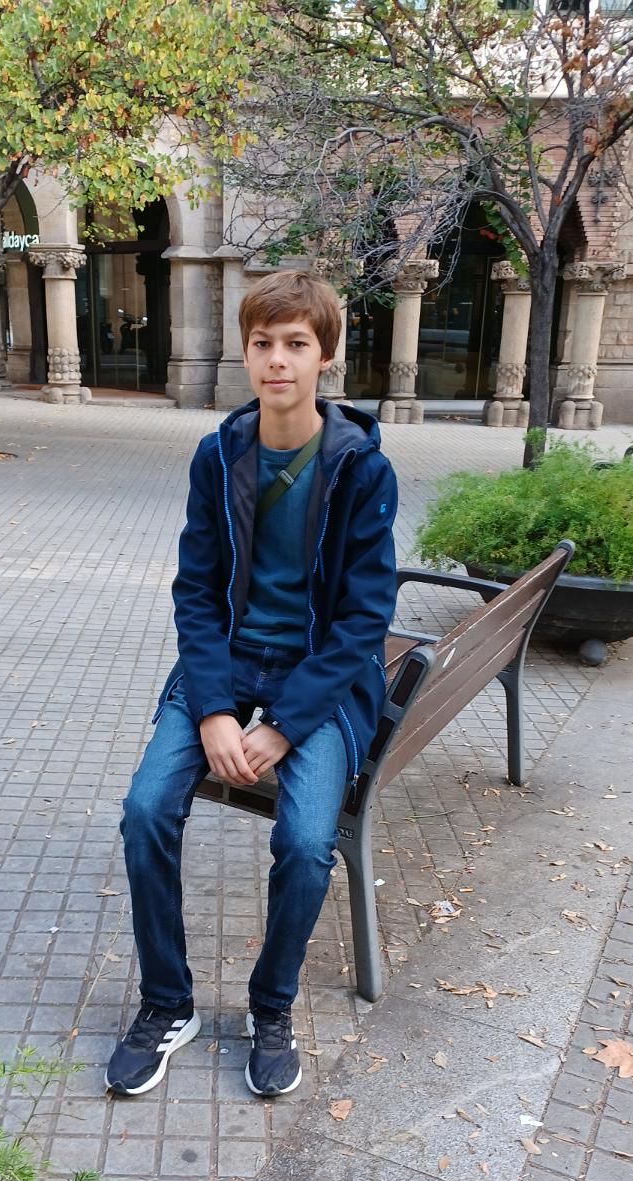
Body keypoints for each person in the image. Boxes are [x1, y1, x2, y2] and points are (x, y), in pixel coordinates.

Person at [105, 269, 398, 1099]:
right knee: (145, 810)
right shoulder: (219, 456)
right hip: (226, 665)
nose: (278, 360)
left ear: (325, 356)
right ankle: (168, 1004)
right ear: (245, 352)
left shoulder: (361, 468)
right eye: (263, 343)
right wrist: (212, 712)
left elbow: (364, 620)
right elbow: (196, 592)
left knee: (305, 844)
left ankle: (271, 1008)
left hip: (317, 680)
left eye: (296, 344)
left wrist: (283, 726)